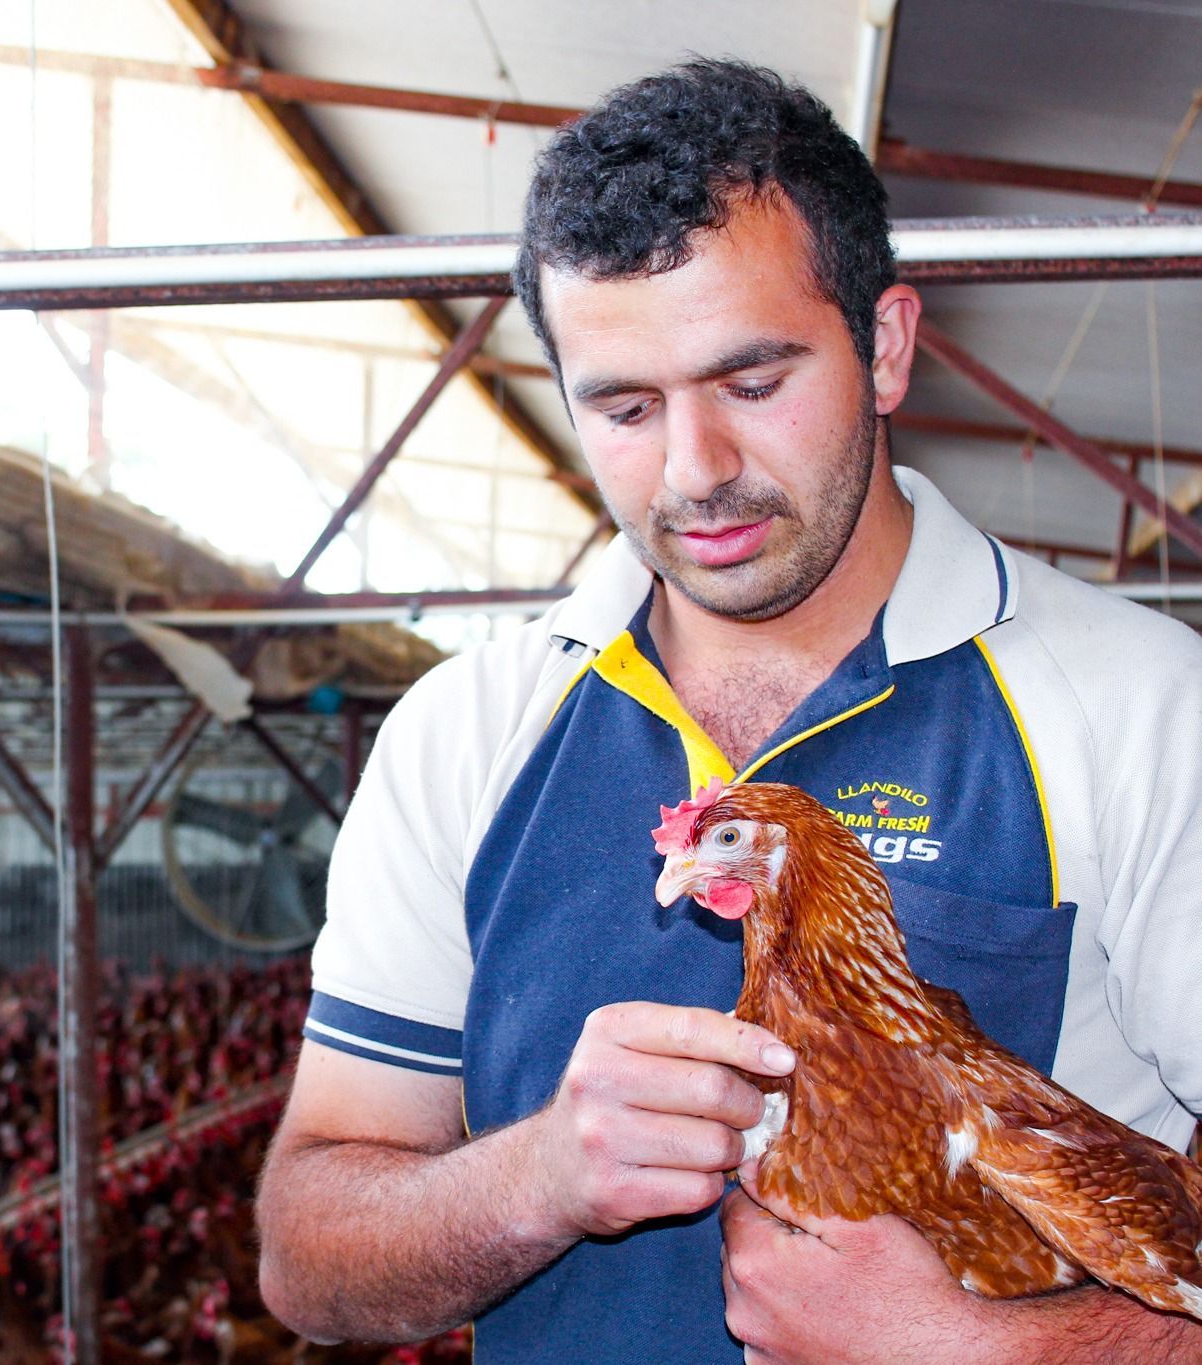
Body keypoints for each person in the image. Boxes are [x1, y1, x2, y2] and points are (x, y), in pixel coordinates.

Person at [256, 59, 1202, 1362]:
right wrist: (533, 1176)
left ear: (883, 344)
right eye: (626, 408)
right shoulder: (463, 737)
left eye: (751, 383)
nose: (694, 470)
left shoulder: (1143, 710)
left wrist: (1015, 1354)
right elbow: (308, 1261)